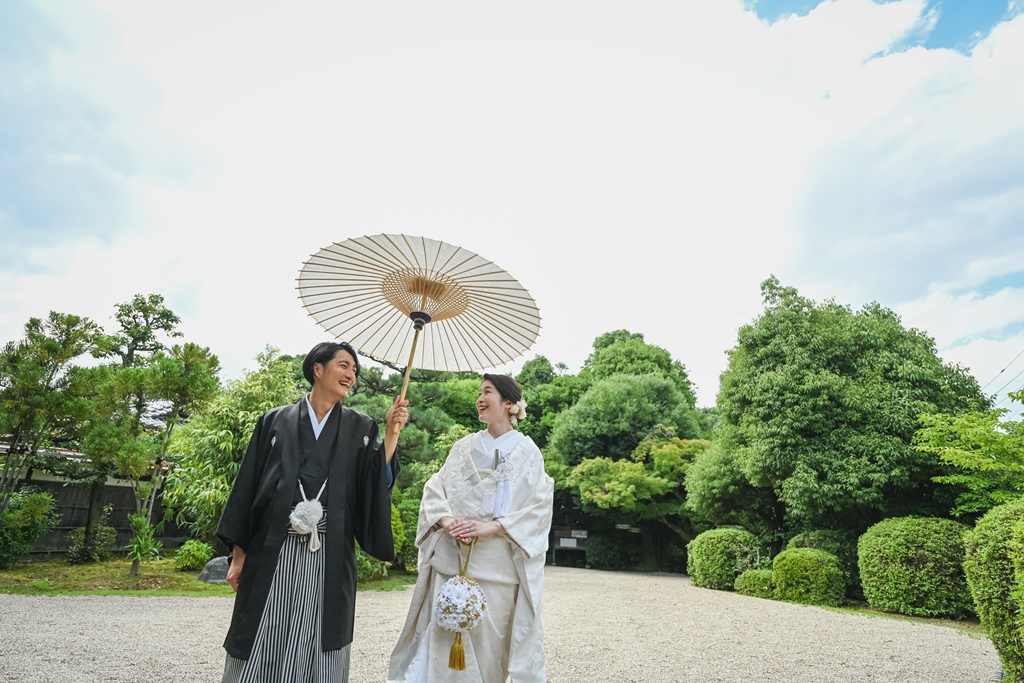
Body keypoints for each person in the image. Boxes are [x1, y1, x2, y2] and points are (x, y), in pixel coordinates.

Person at [217, 341, 408, 683]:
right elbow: (248, 489)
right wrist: (238, 555)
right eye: (344, 366)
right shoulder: (274, 421)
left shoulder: (361, 427)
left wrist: (391, 434)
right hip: (272, 548)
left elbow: (373, 481)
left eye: (355, 370)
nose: (352, 374)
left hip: (328, 551)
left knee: (320, 633)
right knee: (261, 626)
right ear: (317, 369)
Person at [388, 374, 554, 683]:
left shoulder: (528, 453)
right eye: (479, 392)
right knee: (438, 650)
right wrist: (449, 521)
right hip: (451, 566)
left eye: (487, 392)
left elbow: (538, 509)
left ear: (508, 403)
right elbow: (434, 488)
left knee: (488, 656)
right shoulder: (463, 447)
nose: (479, 398)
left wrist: (490, 528)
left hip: (497, 573)